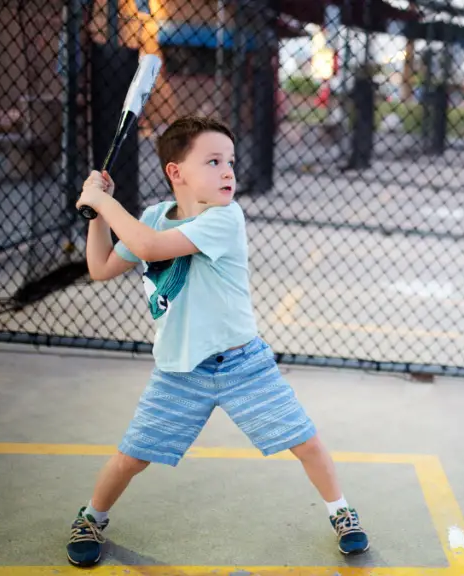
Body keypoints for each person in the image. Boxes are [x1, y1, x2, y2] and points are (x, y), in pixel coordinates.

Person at [67, 115, 369, 567]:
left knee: (304, 441)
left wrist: (103, 203)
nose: (228, 171)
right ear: (176, 172)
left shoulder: (224, 218)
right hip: (178, 371)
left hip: (242, 363)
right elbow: (100, 267)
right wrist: (98, 212)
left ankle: (342, 512)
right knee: (132, 457)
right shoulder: (151, 216)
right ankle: (91, 517)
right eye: (213, 161)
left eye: (229, 160)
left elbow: (149, 248)